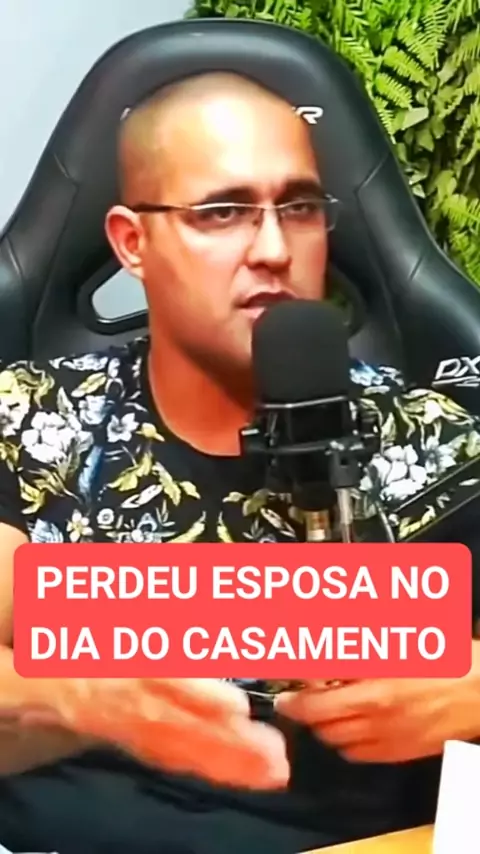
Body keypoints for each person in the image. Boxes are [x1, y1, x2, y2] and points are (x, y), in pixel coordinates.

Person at [0, 71, 478, 854]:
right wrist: (73, 692)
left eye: (300, 208)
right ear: (132, 243)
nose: (274, 249)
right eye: (222, 212)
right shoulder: (31, 421)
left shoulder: (435, 443)